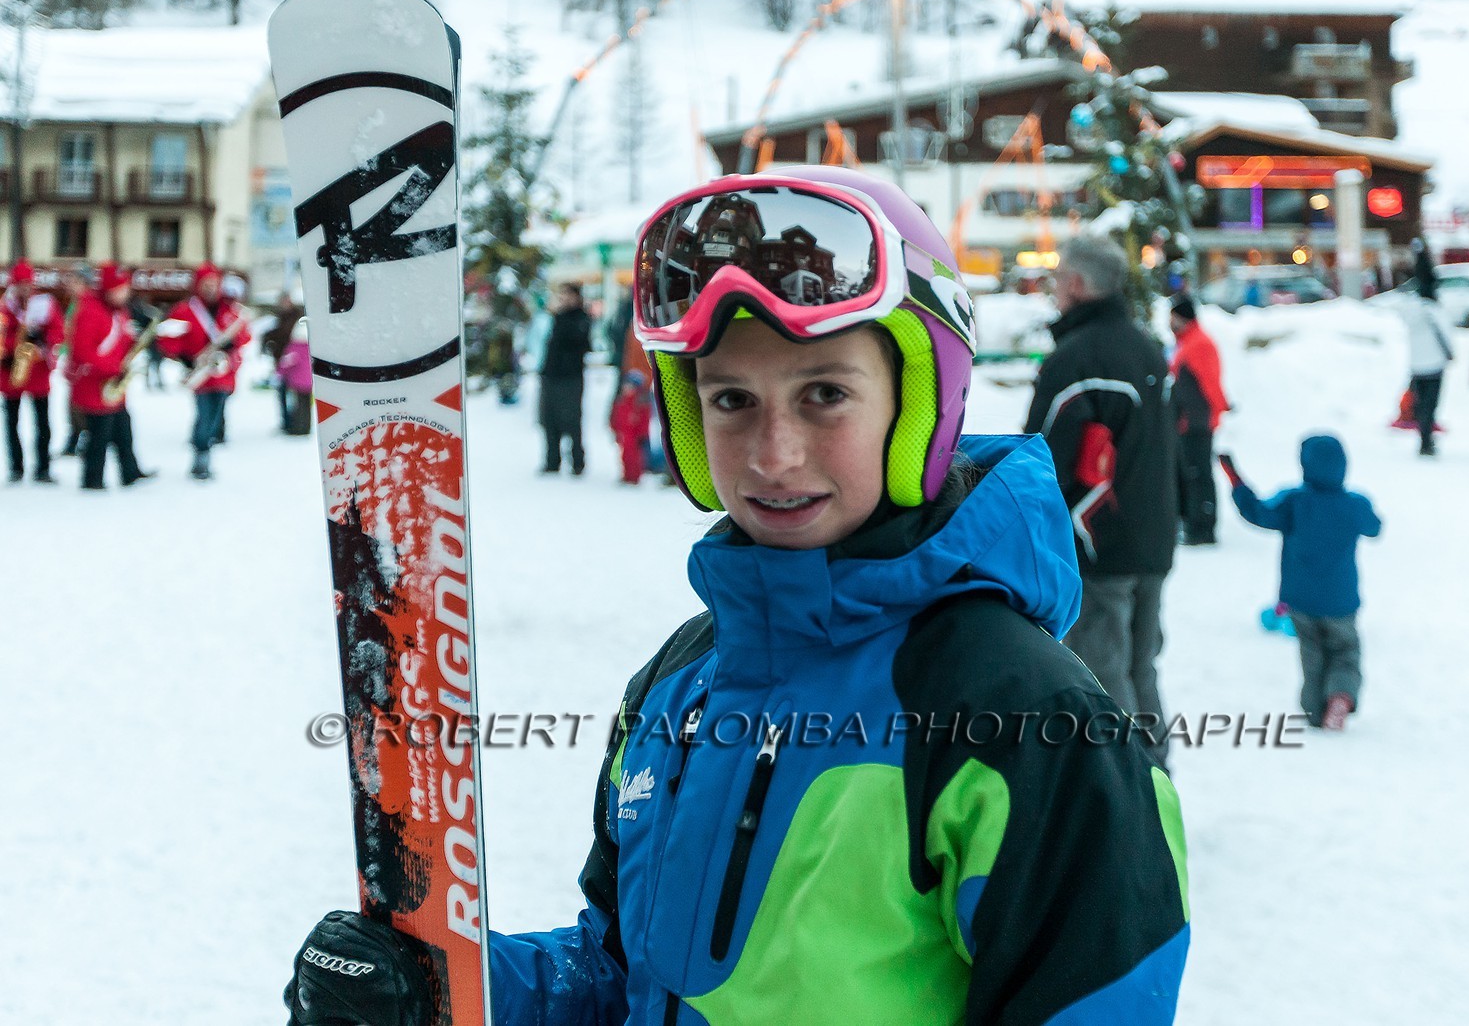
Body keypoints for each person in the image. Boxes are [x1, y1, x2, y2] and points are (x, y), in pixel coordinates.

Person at [284, 168, 1190, 1024]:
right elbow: (622, 977)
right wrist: (448, 989)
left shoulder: (1024, 715)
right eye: (730, 401)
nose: (772, 454)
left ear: (920, 406)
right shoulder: (682, 680)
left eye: (825, 394)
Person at [1024, 233, 1179, 767]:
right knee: (1139, 667)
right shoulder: (1145, 345)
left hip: (1100, 545)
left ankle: (1129, 803)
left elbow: (1040, 459)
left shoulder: (1077, 358)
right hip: (1153, 537)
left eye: (1057, 278)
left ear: (1075, 284)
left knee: (1101, 674)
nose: (1053, 290)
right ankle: (1157, 790)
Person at [1221, 438, 1381, 731]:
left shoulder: (1293, 501)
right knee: (1344, 651)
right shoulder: (1354, 505)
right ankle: (1340, 696)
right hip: (1340, 601)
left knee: (1312, 653)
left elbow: (1258, 513)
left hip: (1300, 601)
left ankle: (1313, 710)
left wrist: (1237, 481)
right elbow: (1374, 526)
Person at [157, 262, 252, 480]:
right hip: (200, 373)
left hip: (223, 374)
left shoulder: (230, 309)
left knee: (215, 415)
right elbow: (167, 339)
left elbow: (245, 334)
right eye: (206, 283)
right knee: (204, 413)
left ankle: (203, 447)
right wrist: (184, 358)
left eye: (214, 283)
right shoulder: (185, 310)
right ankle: (201, 454)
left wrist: (233, 344)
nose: (210, 287)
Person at [68, 264, 154, 490]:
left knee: (124, 429)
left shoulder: (119, 312)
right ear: (108, 290)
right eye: (120, 289)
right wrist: (113, 368)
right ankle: (92, 480)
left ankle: (130, 472)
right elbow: (82, 351)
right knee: (99, 436)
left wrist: (136, 344)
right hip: (95, 384)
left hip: (113, 383)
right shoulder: (89, 311)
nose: (125, 293)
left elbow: (122, 341)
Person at [1168, 293, 1227, 546]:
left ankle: (1202, 527)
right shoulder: (1187, 341)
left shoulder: (1198, 344)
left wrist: (1217, 410)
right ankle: (1193, 521)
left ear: (1182, 317)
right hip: (1189, 421)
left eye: (1172, 317)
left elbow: (1210, 383)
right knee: (1191, 473)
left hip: (1196, 423)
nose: (1168, 323)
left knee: (1198, 474)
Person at [1, 260, 65, 483]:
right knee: (11, 424)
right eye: (20, 284)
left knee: (43, 423)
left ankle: (43, 468)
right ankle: (16, 467)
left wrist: (43, 342)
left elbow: (58, 331)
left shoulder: (44, 304)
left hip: (37, 372)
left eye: (28, 284)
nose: (25, 289)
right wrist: (10, 350)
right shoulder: (4, 307)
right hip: (11, 375)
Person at [1399, 237, 1452, 457]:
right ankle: (1427, 441)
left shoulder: (1409, 311)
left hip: (1417, 364)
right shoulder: (1432, 311)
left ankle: (1423, 439)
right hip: (1435, 364)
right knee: (1431, 404)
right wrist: (1451, 354)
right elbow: (1445, 334)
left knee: (1420, 404)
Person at [538, 282, 590, 475]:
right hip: (552, 375)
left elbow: (578, 342)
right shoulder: (557, 318)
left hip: (571, 377)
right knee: (549, 419)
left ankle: (577, 461)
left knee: (572, 420)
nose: (563, 300)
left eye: (567, 295)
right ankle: (552, 461)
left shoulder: (581, 319)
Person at [57, 264, 93, 458]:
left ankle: (86, 439)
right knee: (72, 403)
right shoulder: (75, 303)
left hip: (85, 362)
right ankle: (75, 438)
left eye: (74, 280)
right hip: (74, 359)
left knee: (82, 403)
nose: (69, 284)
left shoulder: (88, 304)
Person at [263, 292, 303, 433]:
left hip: (294, 360)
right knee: (282, 392)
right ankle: (286, 421)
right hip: (281, 360)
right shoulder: (279, 318)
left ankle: (295, 422)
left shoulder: (296, 317)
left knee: (296, 393)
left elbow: (290, 335)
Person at [608, 369, 652, 484]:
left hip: (635, 437)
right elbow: (615, 417)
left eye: (630, 386)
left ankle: (634, 477)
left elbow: (644, 421)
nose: (626, 388)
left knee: (635, 458)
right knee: (624, 457)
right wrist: (614, 429)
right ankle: (627, 475)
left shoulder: (641, 403)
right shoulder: (620, 401)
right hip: (624, 435)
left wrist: (643, 434)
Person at [277, 317, 314, 437]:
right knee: (307, 406)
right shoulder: (311, 347)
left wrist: (280, 372)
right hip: (309, 382)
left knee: (298, 406)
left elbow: (286, 362)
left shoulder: (294, 347)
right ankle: (306, 427)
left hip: (297, 383)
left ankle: (298, 428)